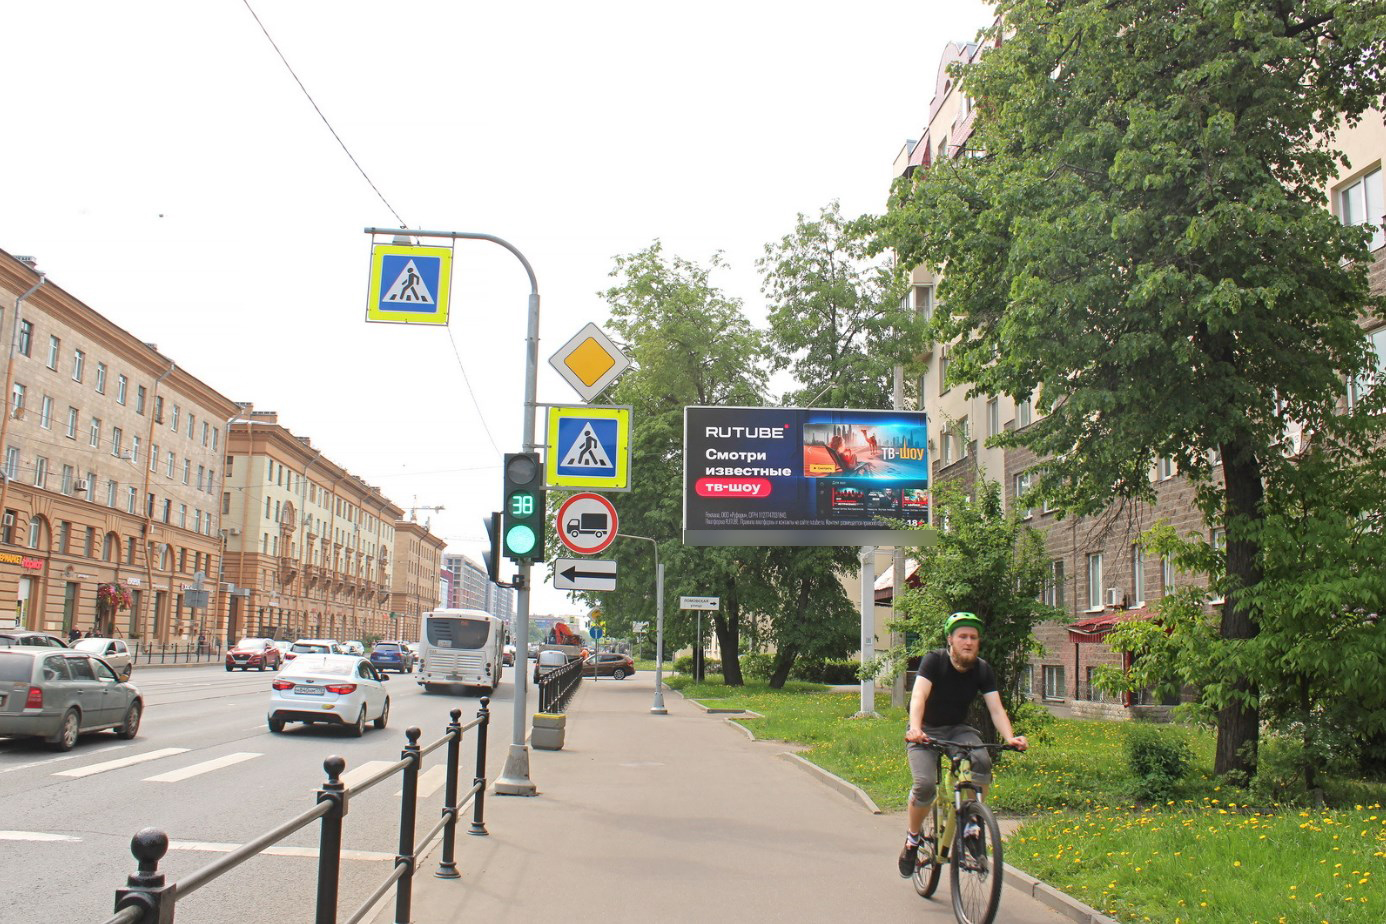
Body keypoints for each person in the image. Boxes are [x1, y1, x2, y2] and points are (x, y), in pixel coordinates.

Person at [898, 611, 1028, 877]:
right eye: (962, 637)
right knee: (924, 786)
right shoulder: (934, 661)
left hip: (957, 730)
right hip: (926, 730)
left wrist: (1009, 737)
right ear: (950, 640)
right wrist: (915, 728)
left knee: (981, 761)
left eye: (973, 637)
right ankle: (912, 840)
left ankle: (971, 822)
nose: (968, 642)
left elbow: (996, 709)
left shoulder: (982, 669)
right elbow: (919, 696)